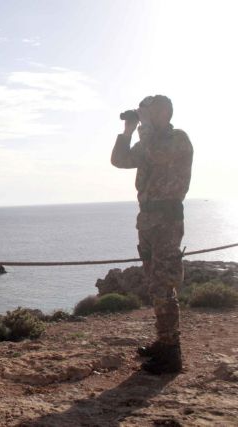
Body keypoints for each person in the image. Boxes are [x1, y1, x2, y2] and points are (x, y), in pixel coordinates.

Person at [111, 95, 193, 374]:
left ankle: (172, 353)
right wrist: (127, 131)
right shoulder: (147, 142)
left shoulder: (177, 139)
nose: (143, 117)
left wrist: (143, 127)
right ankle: (164, 341)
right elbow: (119, 160)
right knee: (154, 283)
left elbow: (158, 154)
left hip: (167, 220)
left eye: (148, 112)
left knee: (163, 283)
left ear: (164, 113)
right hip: (147, 219)